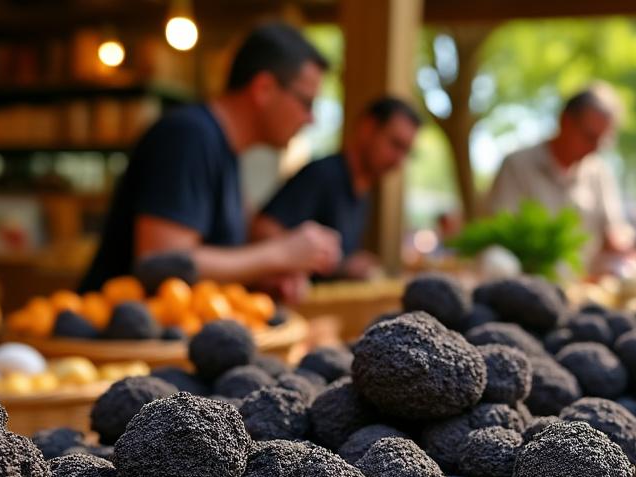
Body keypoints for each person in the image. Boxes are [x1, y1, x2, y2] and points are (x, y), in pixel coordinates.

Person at [81, 22, 341, 293]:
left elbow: (217, 264)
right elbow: (161, 263)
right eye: (307, 103)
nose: (311, 119)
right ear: (263, 88)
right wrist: (279, 254)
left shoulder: (225, 152)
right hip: (111, 331)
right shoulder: (189, 136)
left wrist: (268, 275)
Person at [254, 96, 422, 281]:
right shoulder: (323, 175)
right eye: (395, 144)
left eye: (406, 152)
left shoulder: (362, 192)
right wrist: (338, 265)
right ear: (368, 128)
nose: (399, 160)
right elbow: (262, 229)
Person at [485, 83, 636, 274]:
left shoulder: (600, 174)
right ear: (565, 122)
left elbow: (616, 228)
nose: (596, 147)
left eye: (603, 140)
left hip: (585, 286)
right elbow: (502, 230)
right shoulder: (517, 165)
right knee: (495, 259)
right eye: (590, 136)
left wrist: (621, 243)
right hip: (527, 281)